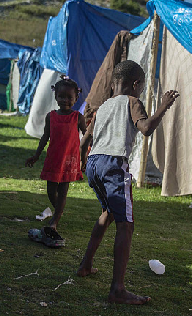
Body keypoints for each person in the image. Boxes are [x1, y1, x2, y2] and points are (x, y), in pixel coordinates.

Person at [76, 60, 179, 305]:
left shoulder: (103, 107)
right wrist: (163, 106)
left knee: (107, 213)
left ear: (113, 84)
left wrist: (82, 165)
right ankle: (117, 289)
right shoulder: (133, 102)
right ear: (136, 85)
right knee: (126, 225)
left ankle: (85, 265)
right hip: (113, 165)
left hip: (94, 163)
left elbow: (83, 143)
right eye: (141, 87)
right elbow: (145, 128)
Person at [25, 76, 86, 248]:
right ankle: (58, 211)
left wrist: (85, 157)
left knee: (63, 191)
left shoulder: (77, 117)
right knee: (51, 191)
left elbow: (86, 136)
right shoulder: (51, 117)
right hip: (53, 158)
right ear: (56, 97)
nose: (65, 100)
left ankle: (54, 221)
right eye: (61, 96)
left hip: (69, 160)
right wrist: (36, 155)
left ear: (76, 98)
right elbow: (45, 137)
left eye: (69, 97)